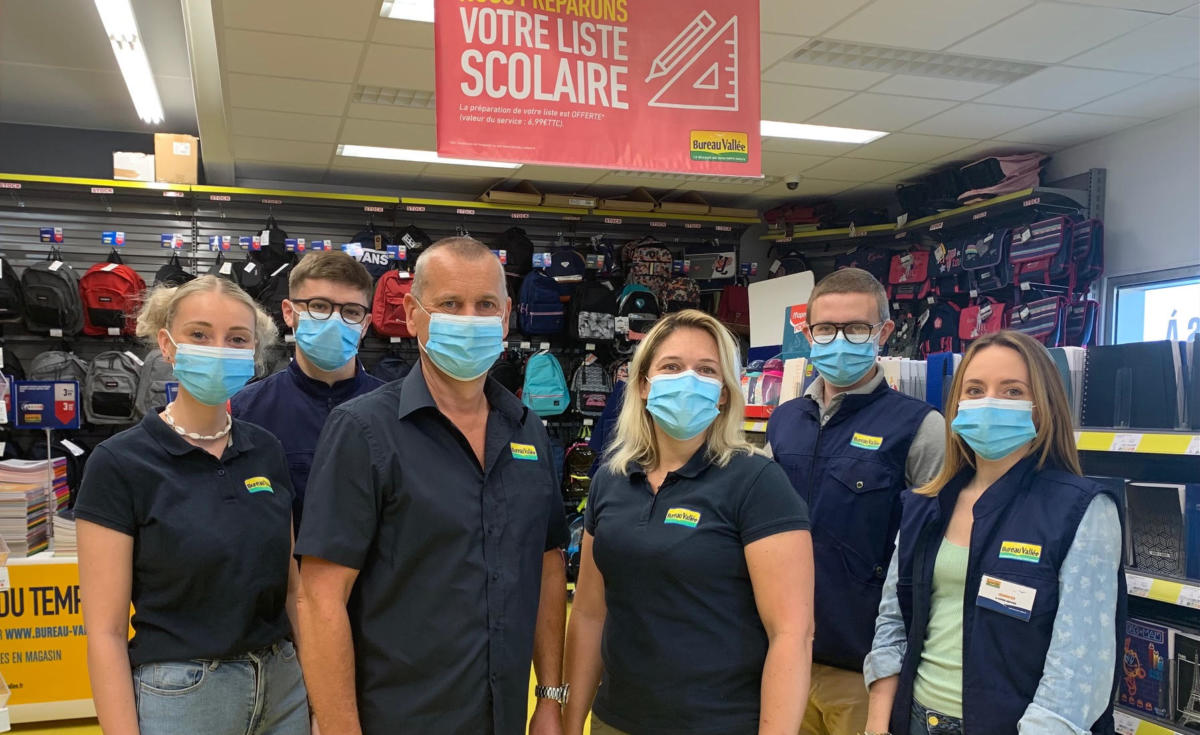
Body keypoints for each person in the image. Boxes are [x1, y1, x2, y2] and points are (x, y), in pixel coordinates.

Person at [294, 237, 568, 735]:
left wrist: (549, 694)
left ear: (506, 318)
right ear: (414, 315)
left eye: (485, 305)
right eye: (449, 304)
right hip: (398, 719)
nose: (469, 319)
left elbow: (547, 561)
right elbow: (319, 599)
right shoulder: (362, 431)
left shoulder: (526, 428)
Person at [75, 275, 309, 735]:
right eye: (199, 335)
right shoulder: (120, 463)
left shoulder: (266, 450)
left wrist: (318, 703)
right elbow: (104, 633)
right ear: (167, 344)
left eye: (236, 339)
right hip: (183, 696)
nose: (219, 349)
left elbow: (293, 590)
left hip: (283, 686)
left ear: (253, 355)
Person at [563, 309, 815, 735]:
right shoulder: (611, 479)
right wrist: (571, 722)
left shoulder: (757, 482)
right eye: (672, 367)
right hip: (616, 720)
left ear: (722, 392)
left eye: (706, 370)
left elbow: (792, 634)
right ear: (643, 385)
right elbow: (589, 613)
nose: (688, 380)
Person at [864, 330, 1124, 735]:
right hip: (914, 718)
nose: (990, 402)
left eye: (1012, 391)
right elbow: (893, 621)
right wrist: (877, 723)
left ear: (1043, 405)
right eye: (975, 389)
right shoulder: (924, 504)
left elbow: (1079, 670)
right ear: (957, 404)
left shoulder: (1082, 509)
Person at [764, 268, 946, 735]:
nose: (838, 340)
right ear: (808, 334)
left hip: (862, 671)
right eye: (825, 329)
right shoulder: (784, 421)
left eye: (856, 328)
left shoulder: (919, 428)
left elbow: (933, 556)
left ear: (883, 332)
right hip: (780, 654)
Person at [231, 250, 384, 533]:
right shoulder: (245, 412)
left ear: (365, 324)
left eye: (350, 311)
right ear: (289, 312)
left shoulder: (395, 411)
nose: (334, 320)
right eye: (319, 306)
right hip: (282, 573)